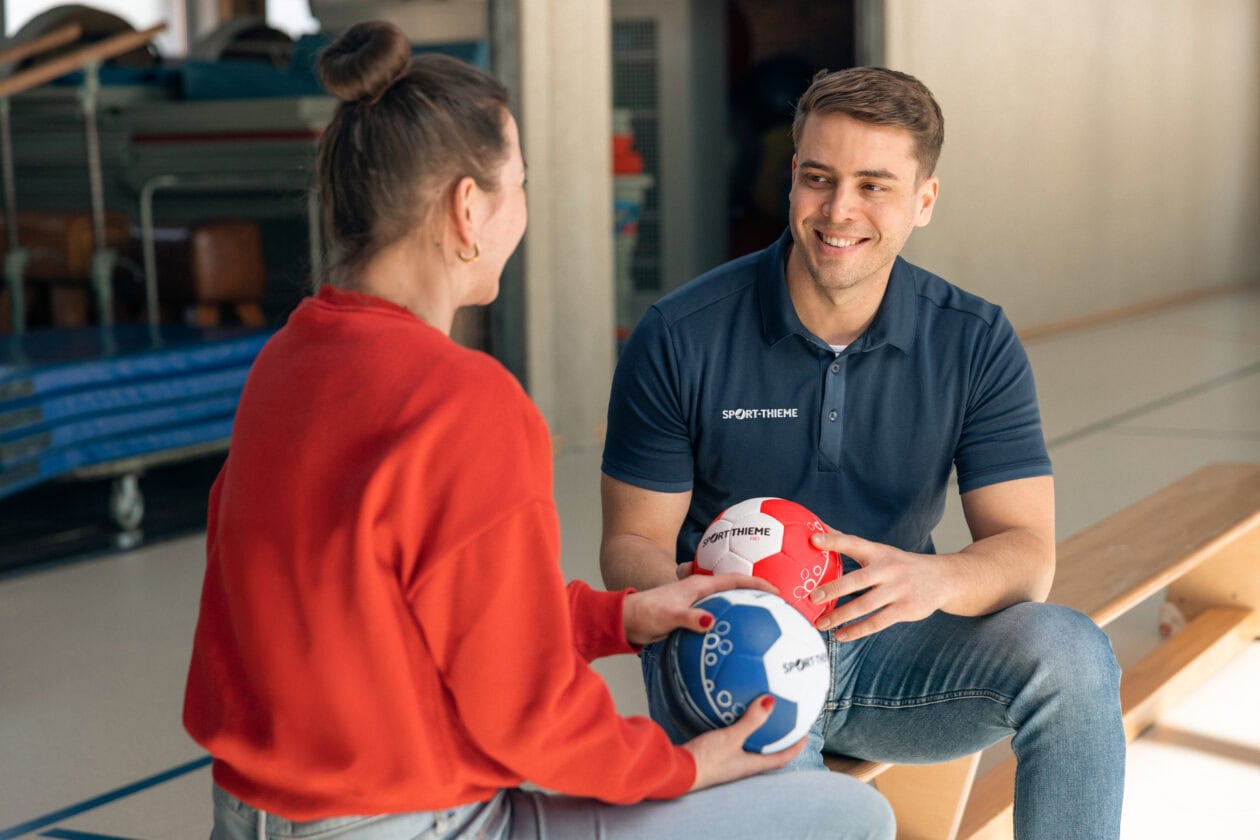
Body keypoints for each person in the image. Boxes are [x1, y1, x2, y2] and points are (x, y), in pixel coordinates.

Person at [182, 21, 894, 840]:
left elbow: (416, 616)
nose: (524, 208)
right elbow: (529, 718)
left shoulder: (287, 360)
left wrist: (616, 617)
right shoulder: (463, 402)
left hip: (250, 817)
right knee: (850, 816)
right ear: (468, 208)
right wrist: (688, 766)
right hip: (412, 826)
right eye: (520, 184)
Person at [601, 67, 1125, 840]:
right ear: (792, 178)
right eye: (819, 178)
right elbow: (630, 541)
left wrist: (933, 578)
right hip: (732, 657)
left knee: (1072, 656)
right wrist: (701, 601)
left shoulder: (973, 342)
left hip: (894, 651)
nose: (838, 211)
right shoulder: (683, 334)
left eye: (874, 186)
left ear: (924, 201)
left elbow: (1026, 556)